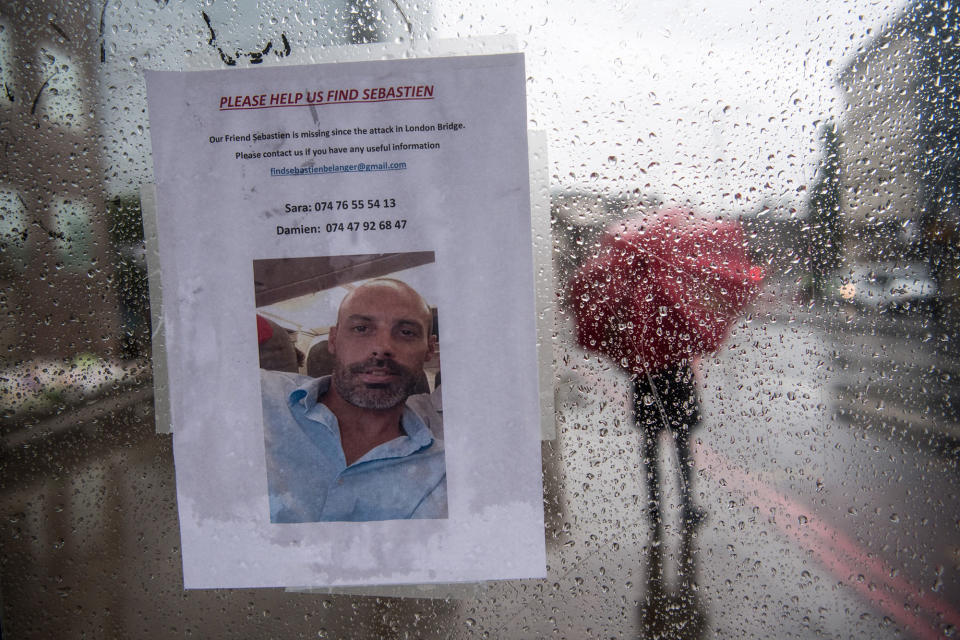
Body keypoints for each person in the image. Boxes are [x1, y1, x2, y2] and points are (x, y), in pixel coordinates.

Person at [259, 278, 446, 523]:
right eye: (361, 328)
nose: (382, 347)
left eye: (406, 332)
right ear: (334, 340)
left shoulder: (444, 472)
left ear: (430, 349)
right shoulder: (262, 395)